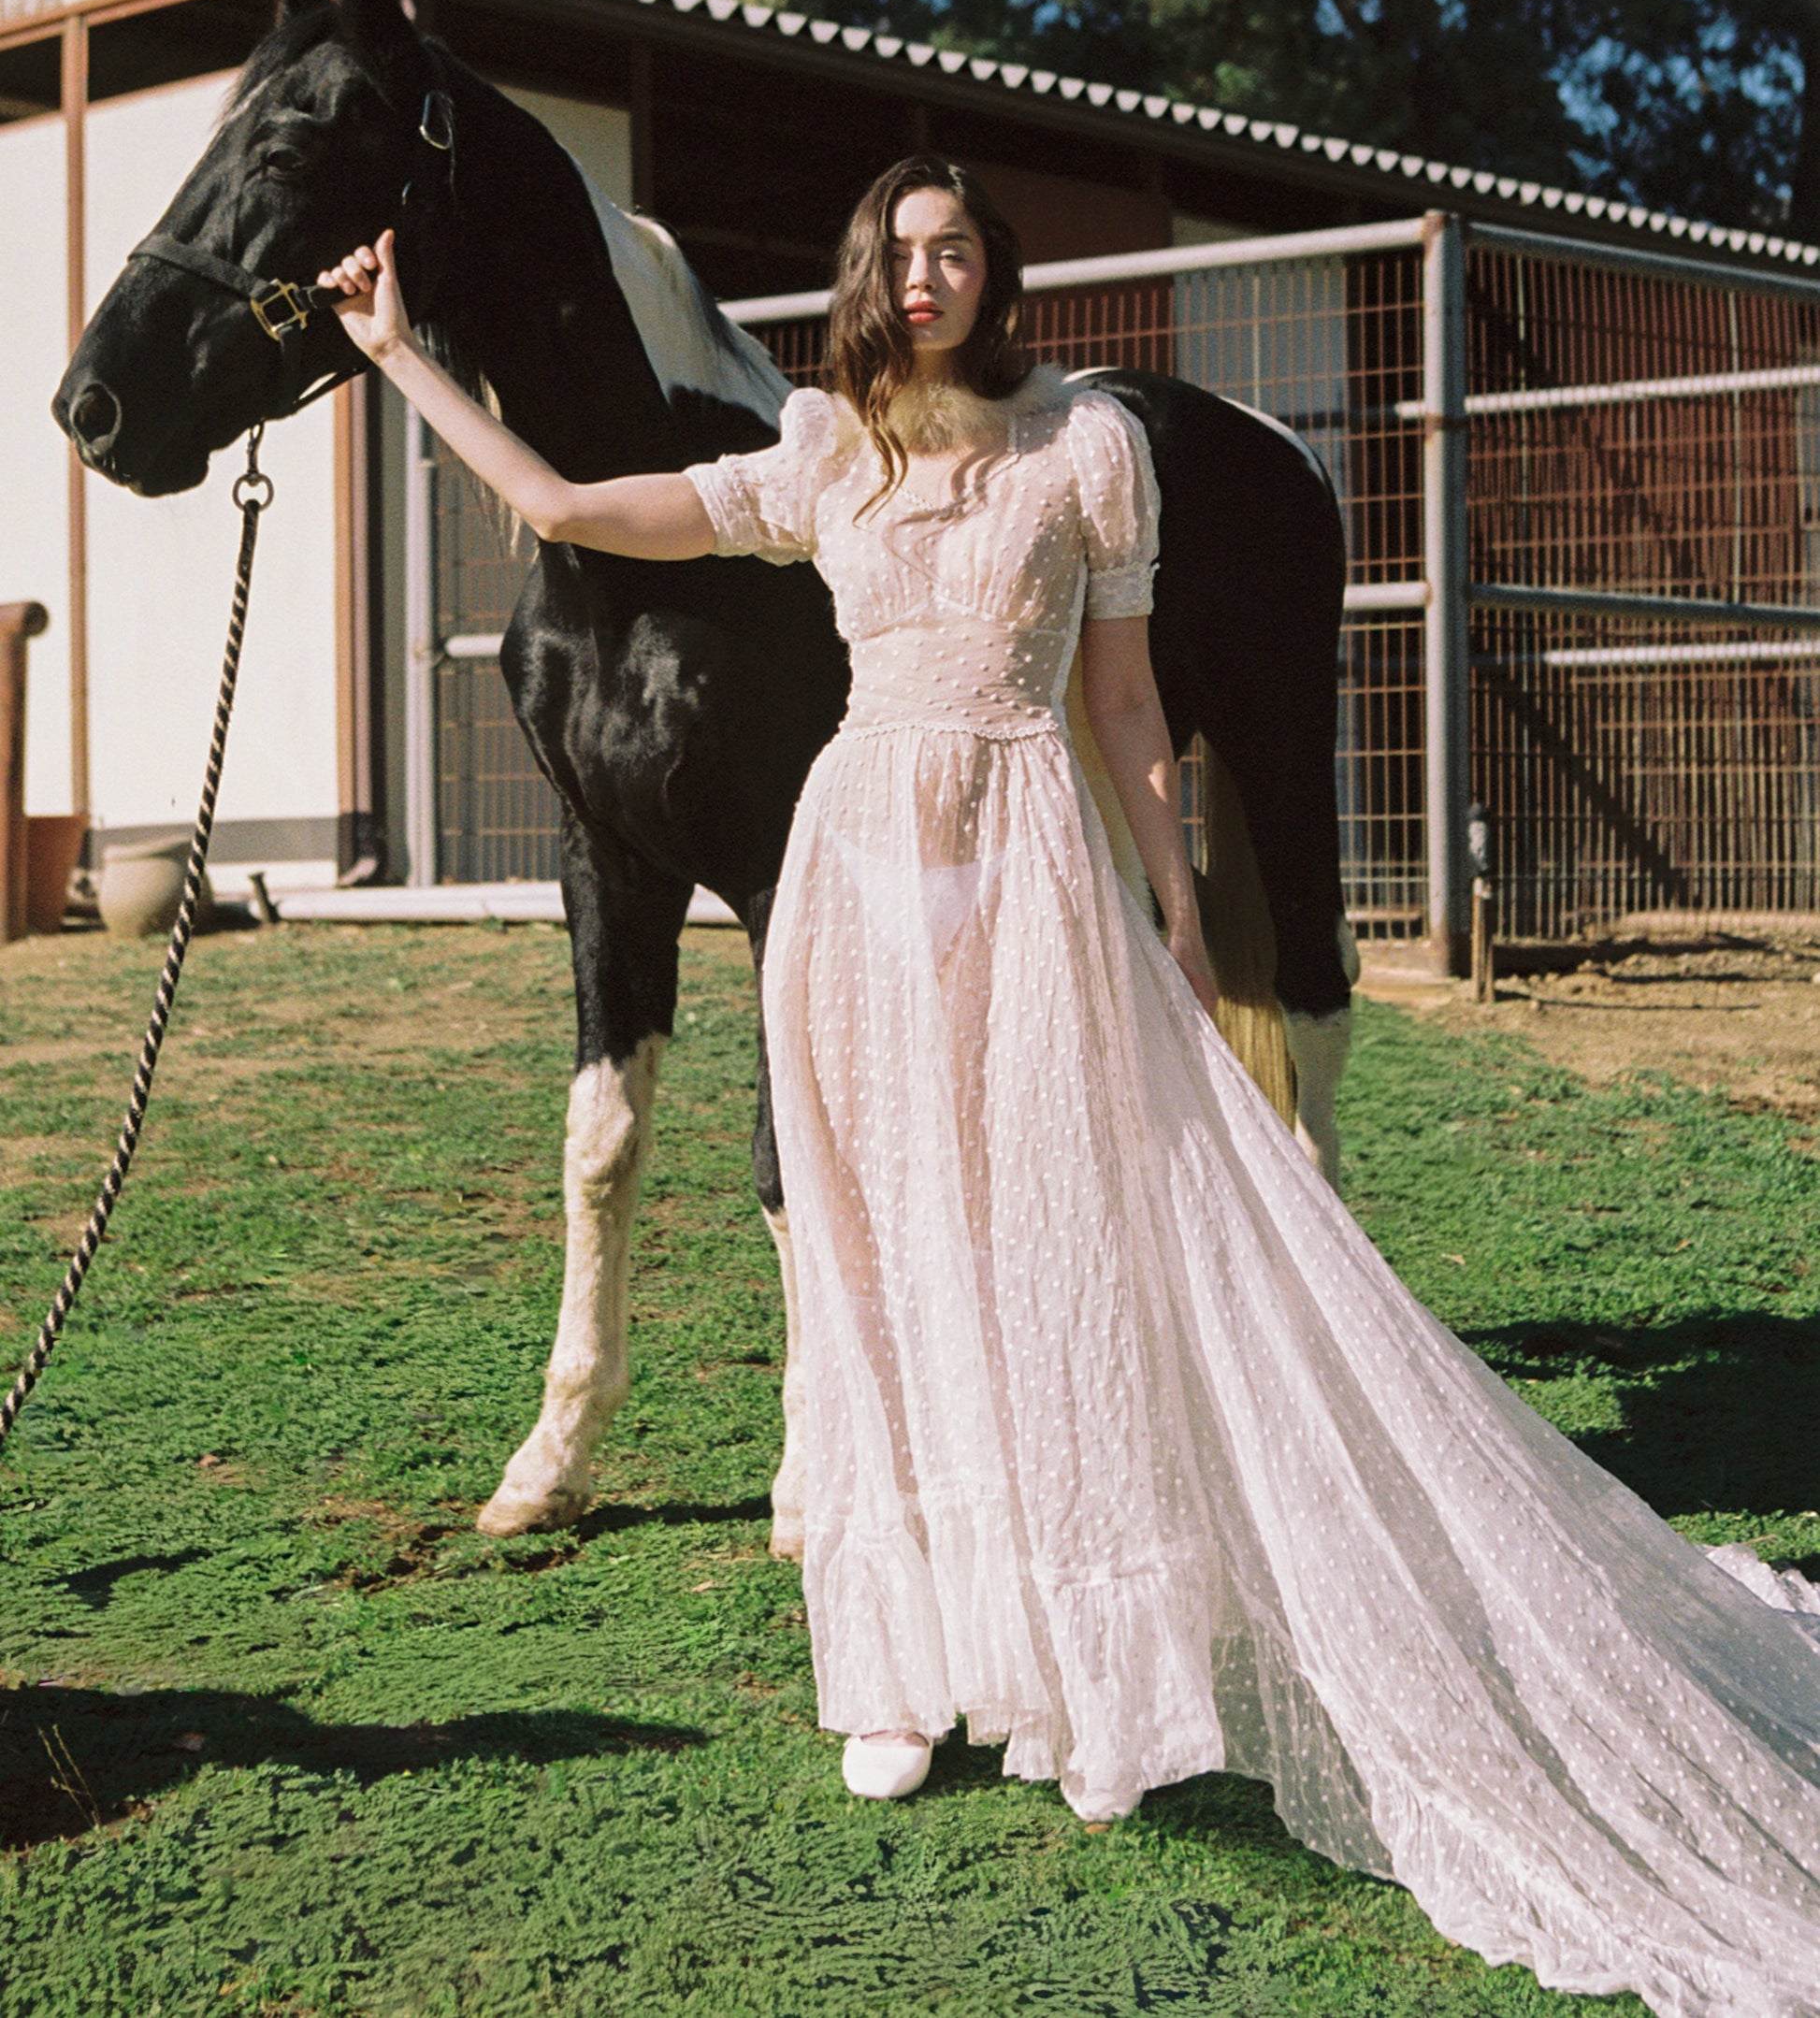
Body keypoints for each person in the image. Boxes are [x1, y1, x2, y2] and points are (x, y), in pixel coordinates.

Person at [325, 158, 1820, 2017]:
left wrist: (1181, 906)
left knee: (1045, 1256)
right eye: (900, 248)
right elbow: (563, 500)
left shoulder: (1080, 450)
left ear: (993, 272)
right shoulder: (819, 456)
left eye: (958, 246)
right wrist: (398, 354)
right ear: (867, 277)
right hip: (856, 886)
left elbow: (1121, 701)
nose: (929, 272)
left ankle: (1093, 1677)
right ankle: (893, 1670)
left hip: (1029, 863)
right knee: (873, 1271)